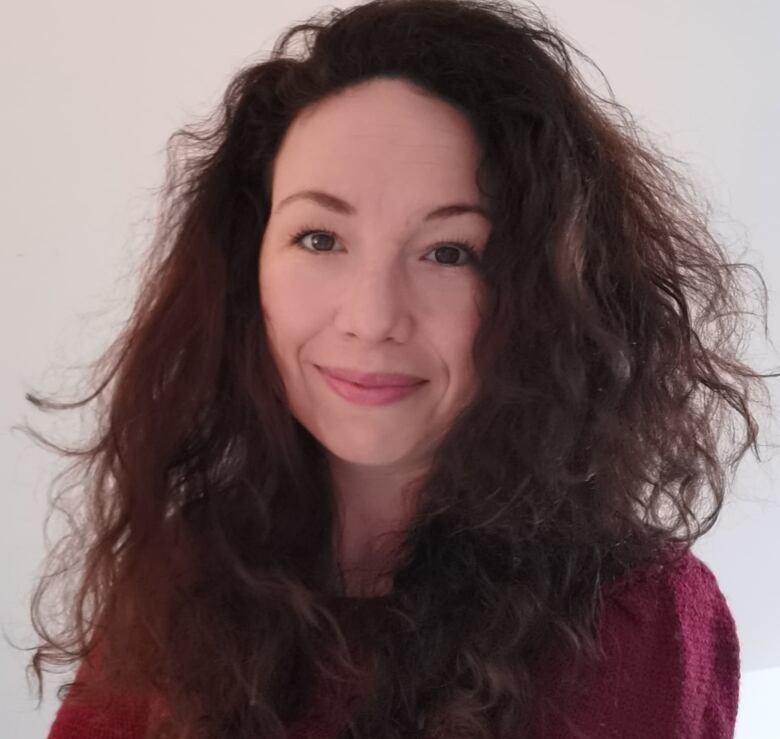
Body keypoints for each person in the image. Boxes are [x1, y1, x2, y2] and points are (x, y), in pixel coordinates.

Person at [23, 0, 770, 737]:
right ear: (248, 267)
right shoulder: (183, 570)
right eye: (319, 238)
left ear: (543, 297)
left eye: (450, 252)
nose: (373, 316)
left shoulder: (632, 617)